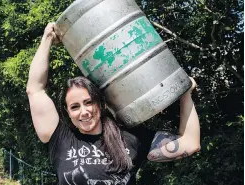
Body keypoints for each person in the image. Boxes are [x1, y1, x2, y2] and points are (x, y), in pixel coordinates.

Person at [26, 23, 201, 185]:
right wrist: (47, 38)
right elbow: (35, 89)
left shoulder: (130, 138)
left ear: (100, 104)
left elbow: (190, 144)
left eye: (89, 102)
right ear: (68, 111)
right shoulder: (61, 139)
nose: (84, 111)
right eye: (75, 106)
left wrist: (185, 93)